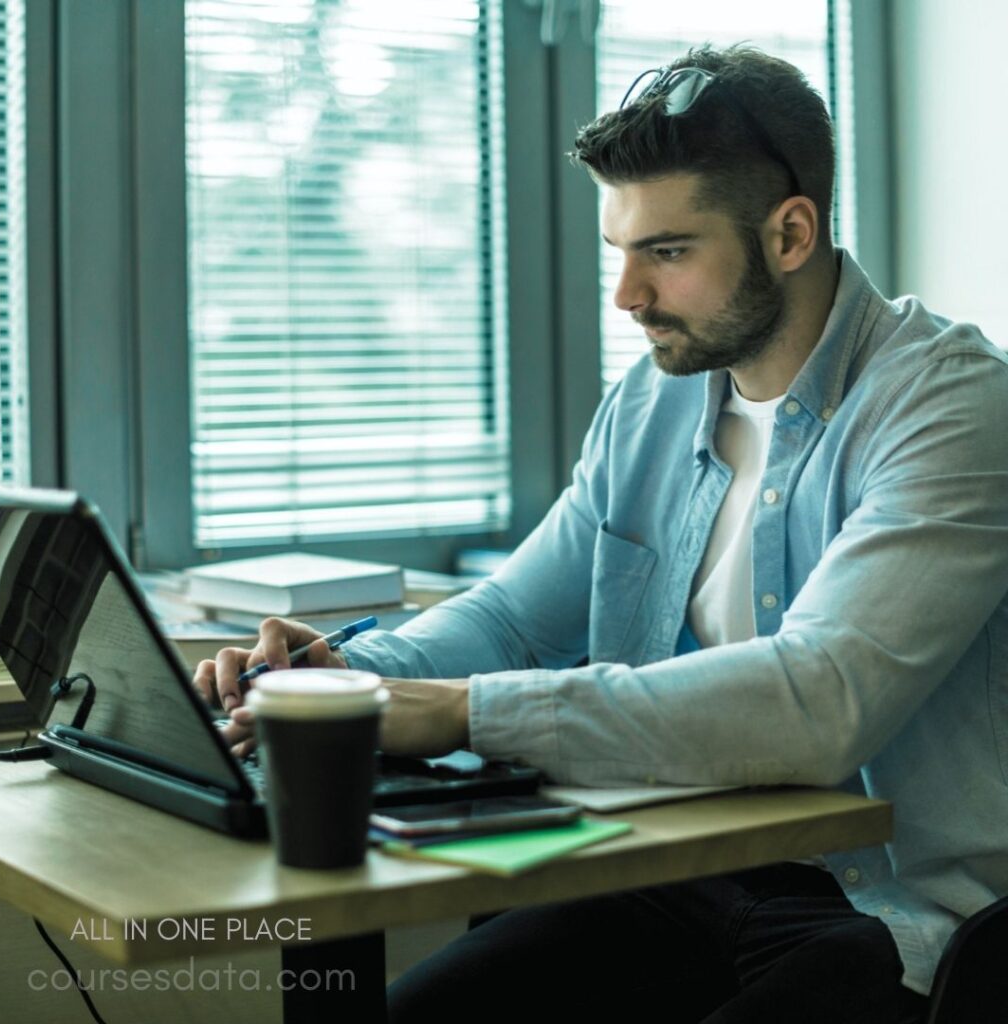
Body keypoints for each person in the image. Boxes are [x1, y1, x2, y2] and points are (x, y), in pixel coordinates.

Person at [195, 44, 1008, 1023]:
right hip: (673, 864)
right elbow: (512, 616)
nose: (626, 296)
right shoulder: (651, 402)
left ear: (790, 233)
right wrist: (354, 678)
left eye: (665, 252)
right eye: (617, 251)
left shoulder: (951, 403)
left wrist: (456, 711)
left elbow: (818, 701)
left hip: (876, 914)